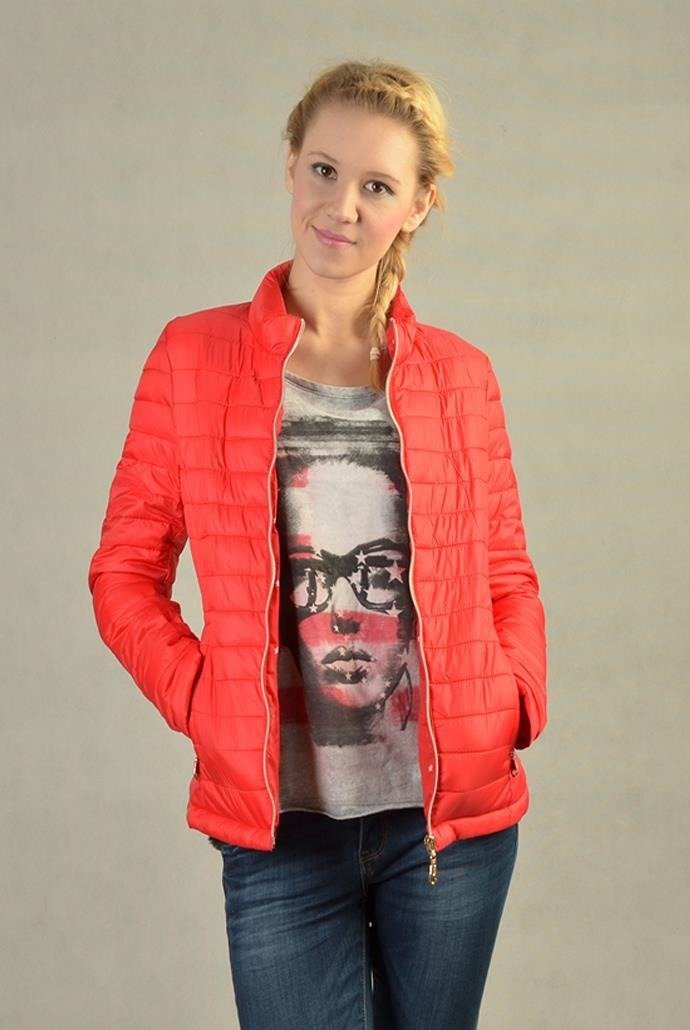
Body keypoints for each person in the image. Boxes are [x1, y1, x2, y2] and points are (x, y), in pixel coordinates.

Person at [87, 58, 547, 1030]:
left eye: (377, 185)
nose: (342, 206)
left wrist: (514, 701)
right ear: (291, 165)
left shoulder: (461, 377)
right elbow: (124, 571)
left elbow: (505, 570)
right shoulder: (193, 356)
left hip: (448, 821)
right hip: (281, 826)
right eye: (324, 171)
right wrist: (202, 699)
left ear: (417, 205)